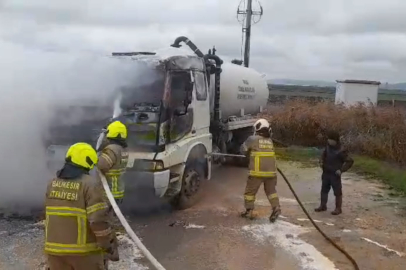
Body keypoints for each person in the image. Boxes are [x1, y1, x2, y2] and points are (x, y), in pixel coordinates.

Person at [44, 142, 119, 270]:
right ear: (87, 162)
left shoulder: (52, 184)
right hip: (84, 254)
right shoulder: (90, 185)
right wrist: (108, 246)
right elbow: (98, 221)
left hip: (54, 252)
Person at [240, 119, 281, 223]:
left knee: (250, 192)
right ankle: (276, 208)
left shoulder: (252, 139)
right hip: (271, 172)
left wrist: (248, 153)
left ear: (257, 128)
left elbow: (242, 150)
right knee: (271, 192)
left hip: (256, 173)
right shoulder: (270, 140)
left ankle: (249, 211)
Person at [315, 130, 354, 215]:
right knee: (324, 190)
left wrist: (341, 170)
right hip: (326, 172)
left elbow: (349, 161)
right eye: (328, 139)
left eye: (331, 139)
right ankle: (323, 205)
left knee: (337, 192)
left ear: (335, 140)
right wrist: (321, 162)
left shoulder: (341, 151)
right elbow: (323, 156)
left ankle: (338, 208)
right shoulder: (327, 147)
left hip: (335, 174)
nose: (329, 141)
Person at [97, 120, 129, 205]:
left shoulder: (112, 149)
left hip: (109, 191)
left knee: (106, 215)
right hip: (118, 191)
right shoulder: (122, 149)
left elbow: (101, 165)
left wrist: (98, 154)